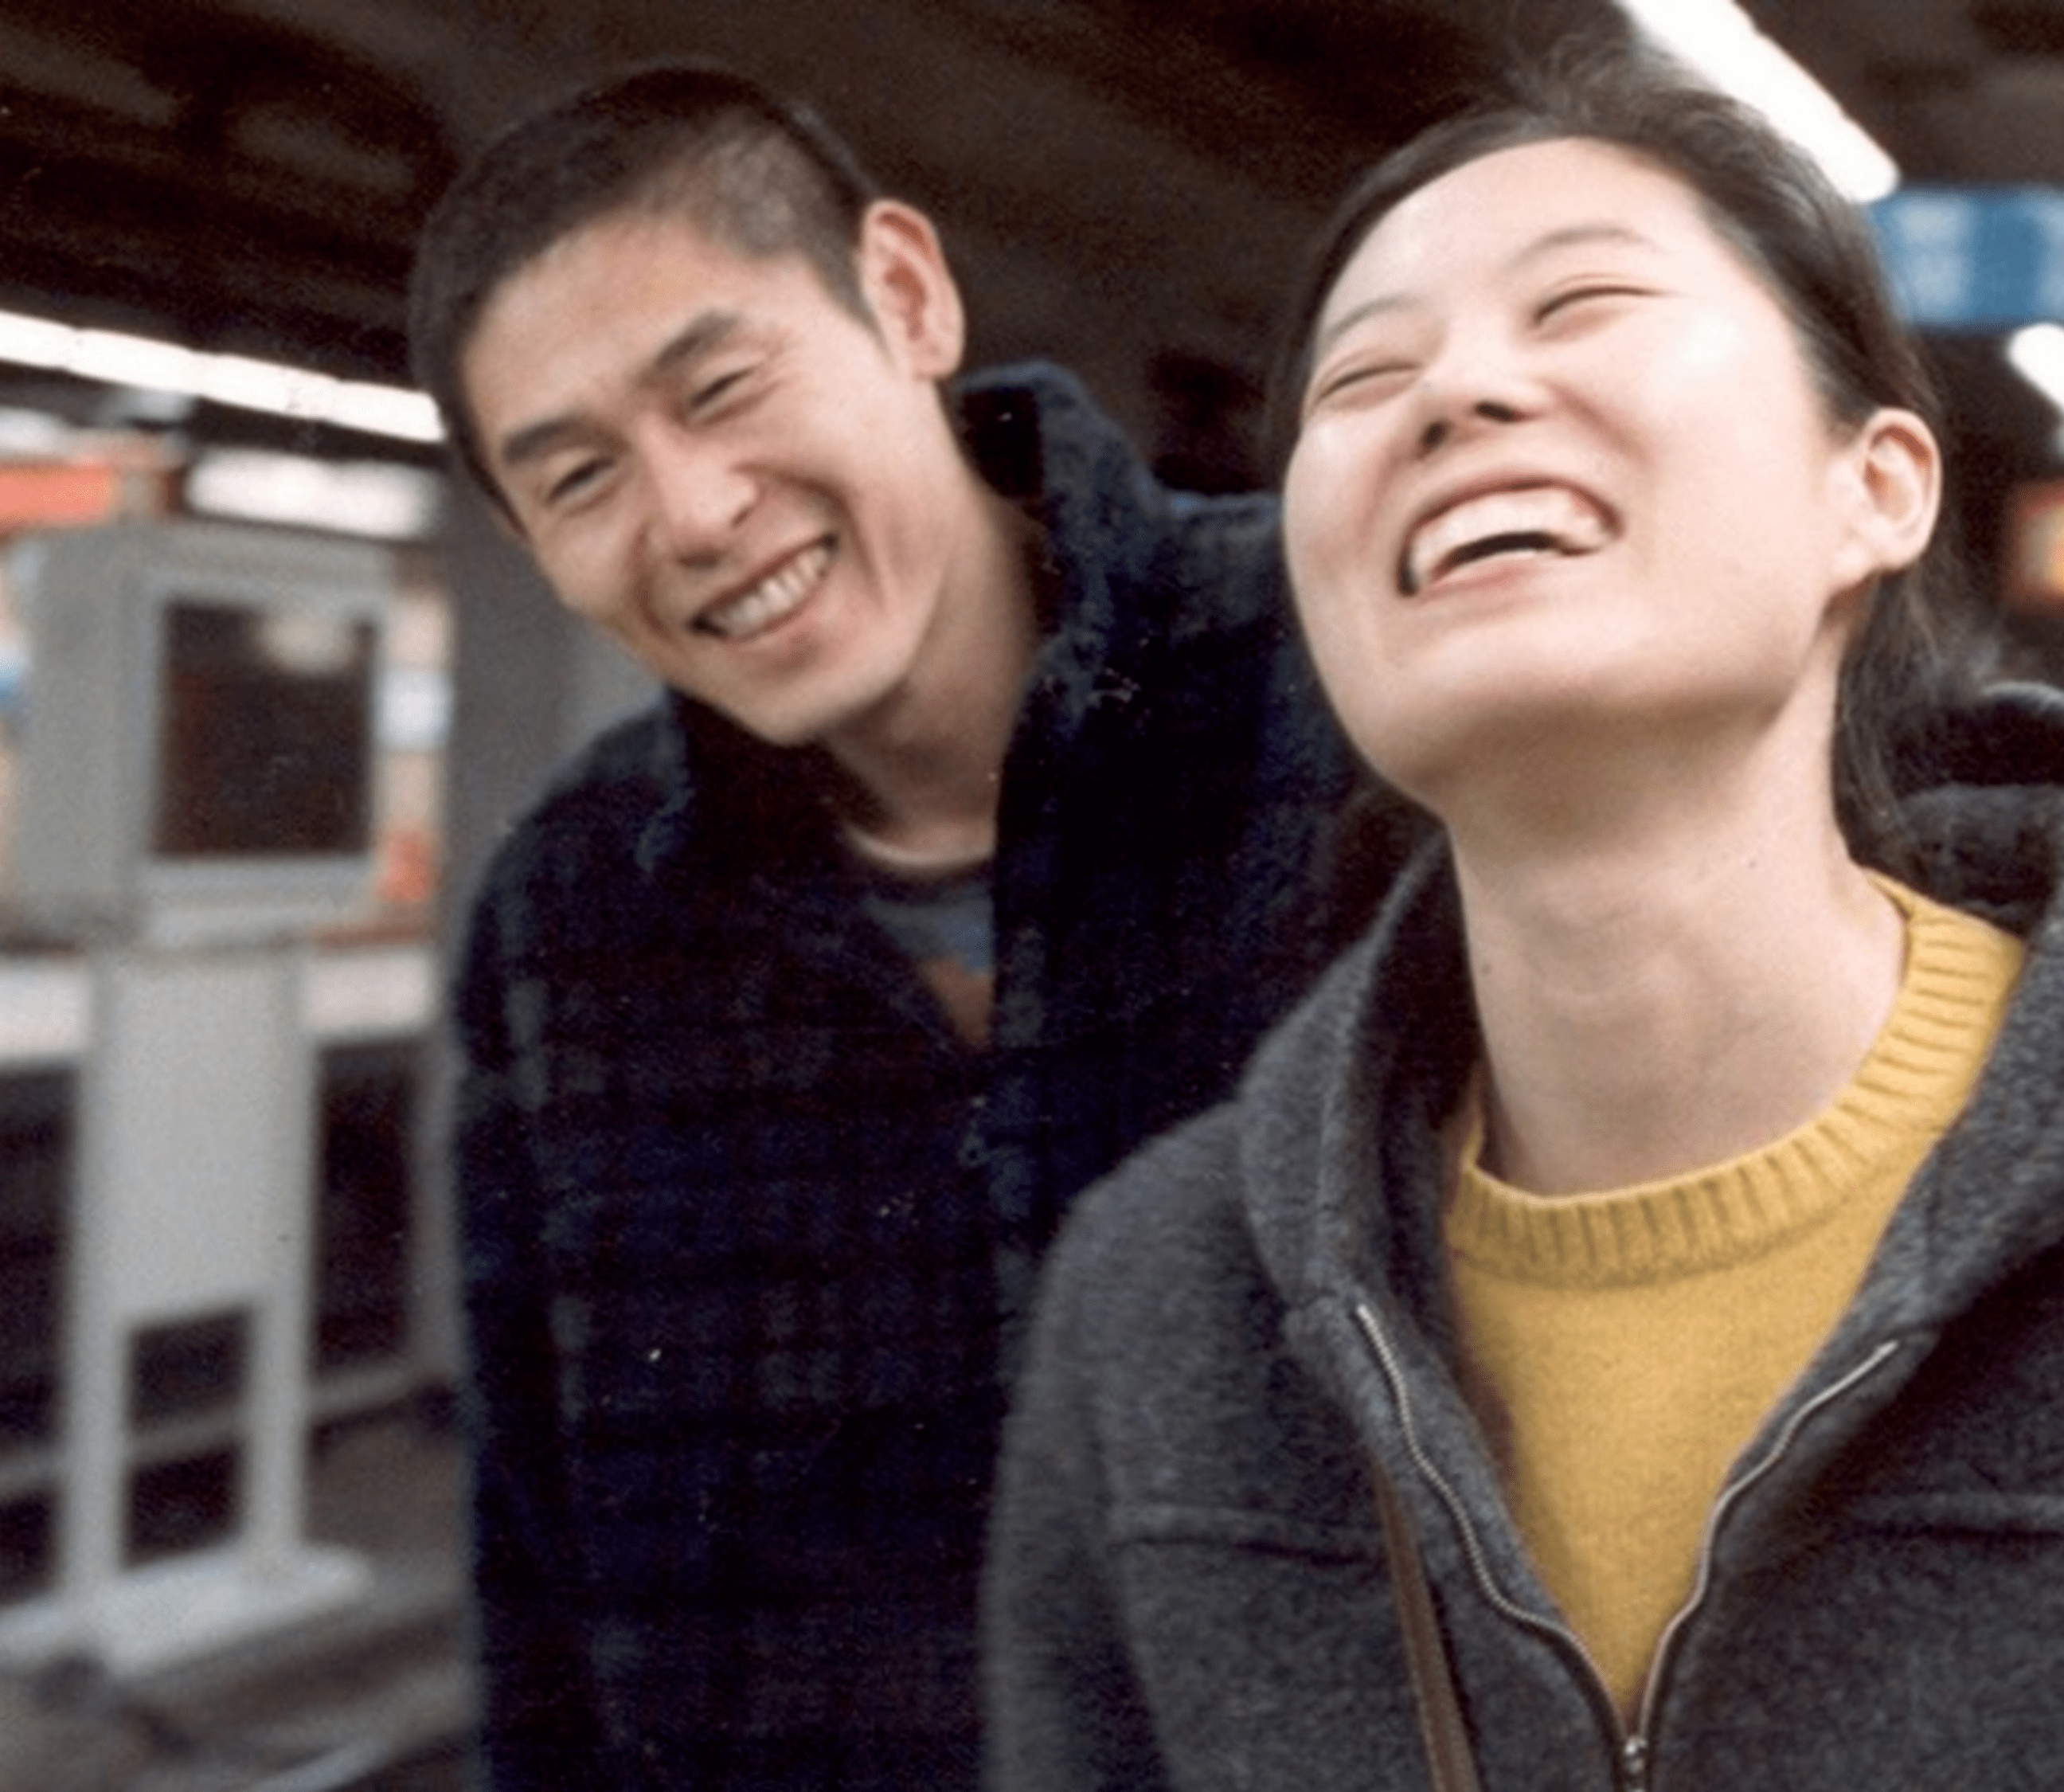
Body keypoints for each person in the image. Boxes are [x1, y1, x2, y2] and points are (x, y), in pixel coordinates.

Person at [983, 45, 2064, 1792]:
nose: (1458, 394)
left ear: (1874, 487)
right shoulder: (1155, 1316)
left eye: (1582, 305)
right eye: (1366, 374)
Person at [407, 64, 1374, 1791]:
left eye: (721, 385)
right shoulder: (571, 909)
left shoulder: (1356, 691)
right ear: (524, 540)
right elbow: (537, 1569)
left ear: (908, 299)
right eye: (579, 479)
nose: (693, 512)